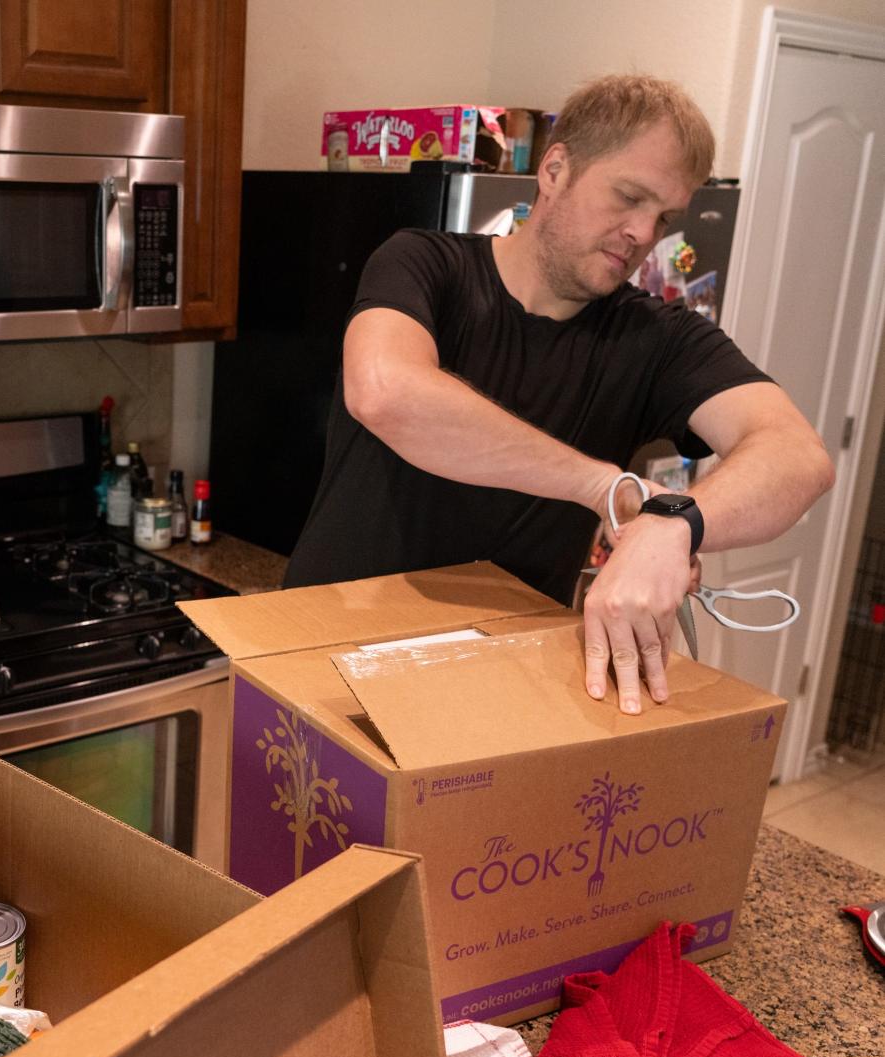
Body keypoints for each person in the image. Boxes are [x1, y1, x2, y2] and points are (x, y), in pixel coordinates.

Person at [284, 74, 834, 716]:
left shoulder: (657, 337)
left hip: (498, 681)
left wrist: (677, 523)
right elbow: (387, 393)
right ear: (555, 169)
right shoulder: (424, 265)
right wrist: (606, 487)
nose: (641, 233)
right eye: (628, 197)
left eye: (662, 217)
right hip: (323, 664)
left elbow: (800, 458)